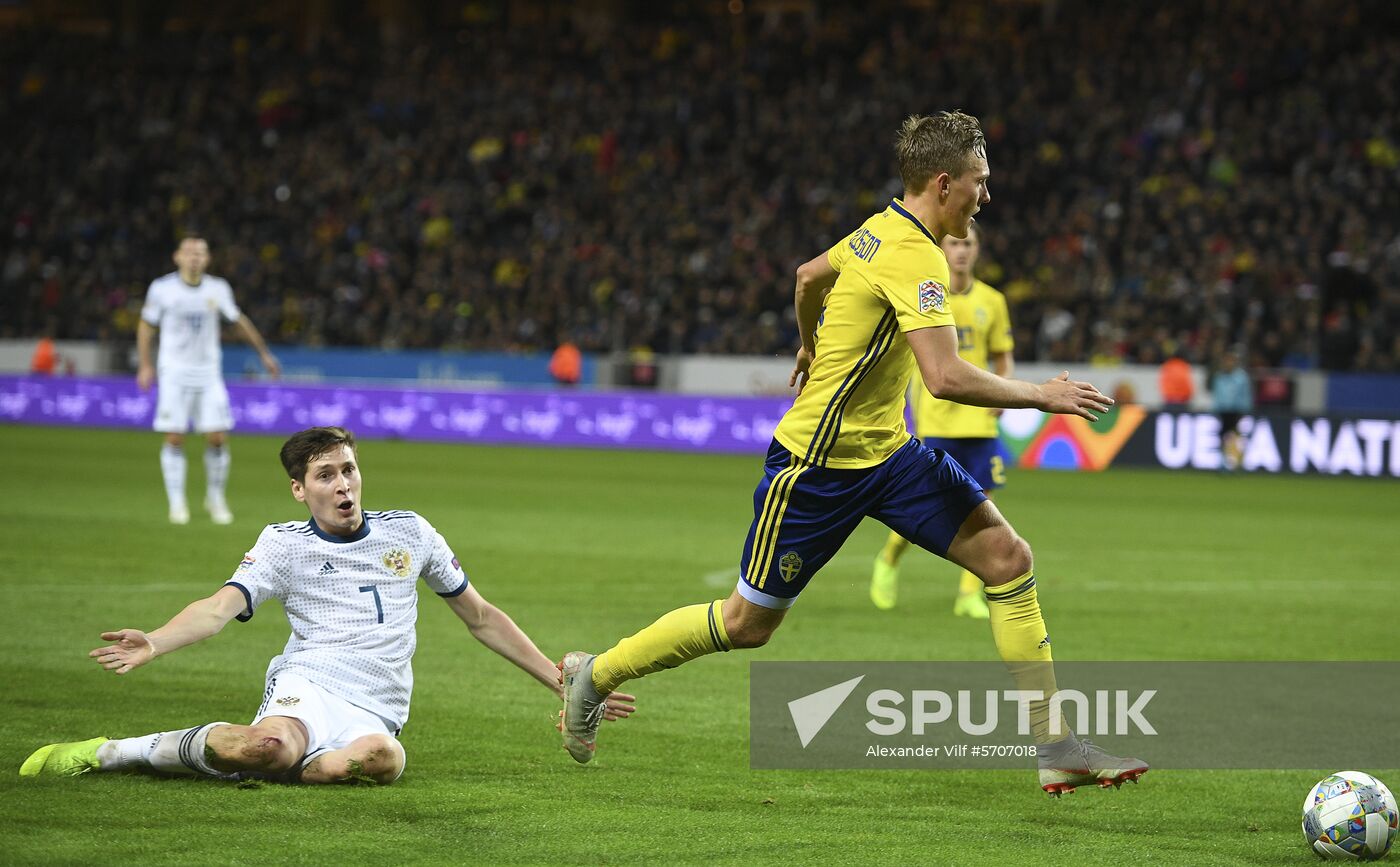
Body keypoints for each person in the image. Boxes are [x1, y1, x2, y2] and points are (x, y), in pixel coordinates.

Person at [557, 111, 1147, 796]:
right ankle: (593, 674)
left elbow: (809, 275)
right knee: (748, 624)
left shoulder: (880, 226)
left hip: (888, 455)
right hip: (815, 466)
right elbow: (946, 376)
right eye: (980, 183)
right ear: (944, 181)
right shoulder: (913, 254)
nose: (988, 197)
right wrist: (1042, 395)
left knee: (1008, 557)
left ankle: (1056, 744)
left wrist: (807, 342)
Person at [20, 426, 636, 784]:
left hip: (379, 707)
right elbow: (219, 606)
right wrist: (155, 640)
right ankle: (110, 752)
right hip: (308, 684)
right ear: (299, 489)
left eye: (348, 469)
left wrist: (562, 683)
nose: (342, 485)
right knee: (265, 747)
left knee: (382, 760)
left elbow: (481, 616)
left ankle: (294, 762)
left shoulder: (412, 533)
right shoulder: (283, 545)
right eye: (325, 475)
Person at [868, 222, 1014, 617]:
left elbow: (1002, 354)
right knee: (923, 511)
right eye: (955, 243)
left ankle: (968, 595)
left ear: (978, 250)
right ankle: (889, 559)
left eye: (969, 243)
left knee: (983, 509)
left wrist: (1005, 385)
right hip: (937, 421)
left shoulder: (993, 301)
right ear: (942, 249)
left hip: (980, 423)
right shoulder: (925, 294)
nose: (962, 251)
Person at [137, 236, 281, 525]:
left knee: (217, 437)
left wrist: (263, 353)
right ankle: (177, 504)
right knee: (175, 436)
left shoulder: (218, 288)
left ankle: (215, 499)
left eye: (200, 253)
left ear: (207, 259)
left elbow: (238, 321)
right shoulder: (162, 289)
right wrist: (144, 364)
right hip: (174, 372)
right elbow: (146, 325)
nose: (194, 257)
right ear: (177, 256)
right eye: (189, 252)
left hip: (208, 373)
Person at [1211, 351, 1253, 470]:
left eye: (1231, 361)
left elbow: (1245, 395)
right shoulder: (1219, 376)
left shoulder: (1241, 377)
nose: (1228, 363)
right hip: (1223, 411)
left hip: (1237, 411)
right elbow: (1217, 394)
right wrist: (1216, 408)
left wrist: (1245, 409)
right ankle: (1223, 463)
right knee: (1222, 437)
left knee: (1237, 438)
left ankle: (1237, 463)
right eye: (1226, 361)